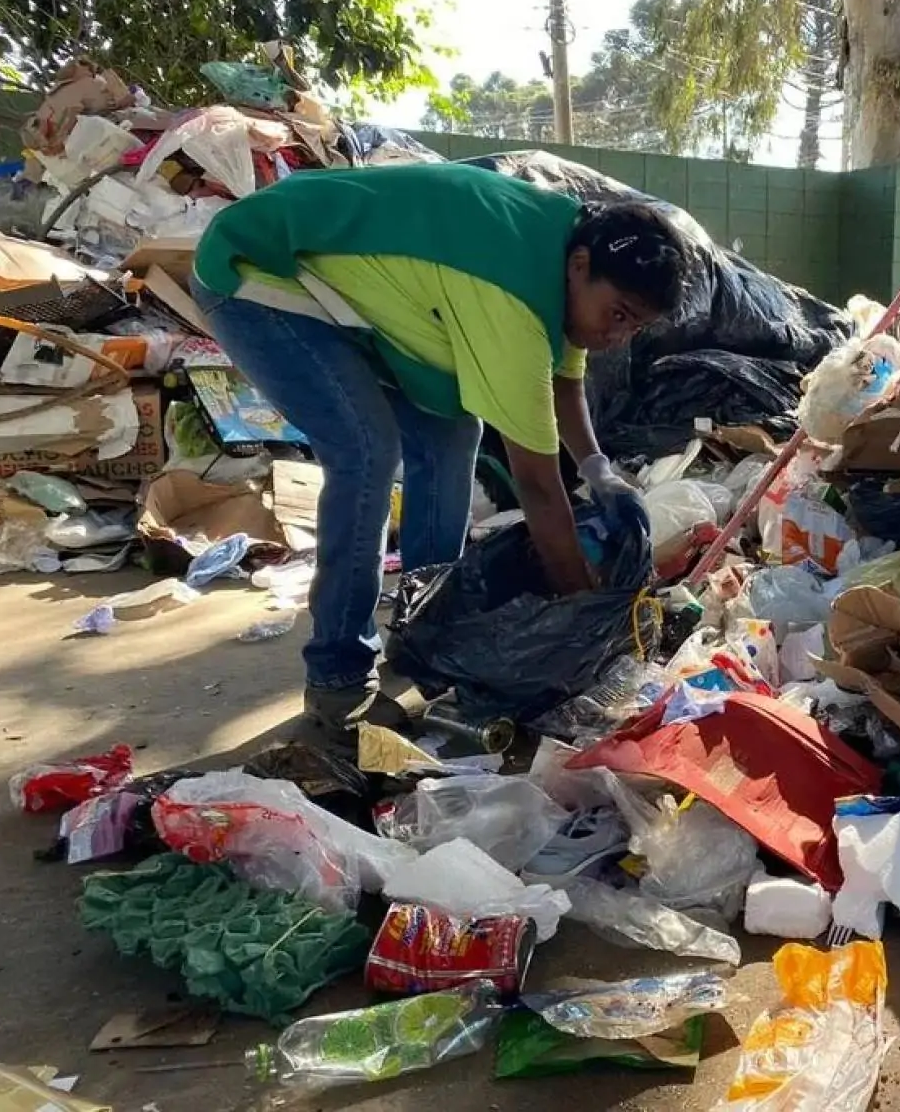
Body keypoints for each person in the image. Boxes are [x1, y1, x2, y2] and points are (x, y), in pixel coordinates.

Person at [190, 162, 687, 730]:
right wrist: (582, 619)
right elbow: (537, 486)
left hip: (349, 297)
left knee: (452, 437)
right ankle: (338, 670)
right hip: (261, 273)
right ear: (580, 268)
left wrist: (601, 473)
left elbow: (565, 377)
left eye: (635, 327)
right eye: (618, 315)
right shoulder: (512, 292)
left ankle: (429, 632)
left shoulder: (572, 253)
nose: (616, 336)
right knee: (366, 449)